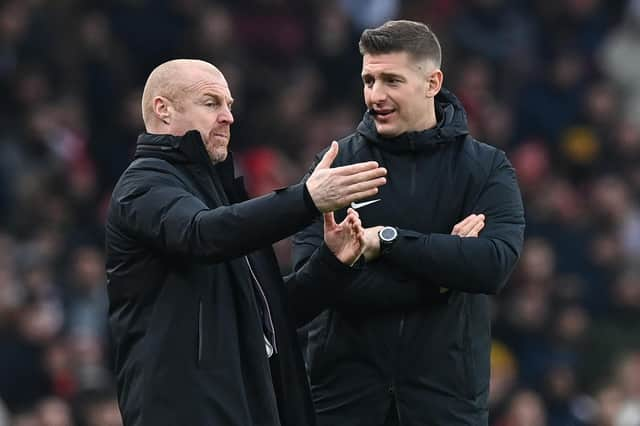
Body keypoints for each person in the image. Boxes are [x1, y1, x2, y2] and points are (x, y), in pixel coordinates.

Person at [104, 59, 387, 426]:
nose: (228, 117)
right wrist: (306, 200)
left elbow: (270, 315)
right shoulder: (142, 185)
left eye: (229, 106)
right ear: (163, 109)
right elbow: (201, 234)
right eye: (211, 103)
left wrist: (331, 263)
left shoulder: (223, 201)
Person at [292, 20, 525, 426]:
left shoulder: (485, 168)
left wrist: (388, 243)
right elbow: (308, 288)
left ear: (432, 82)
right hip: (343, 402)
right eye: (369, 79)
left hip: (446, 403)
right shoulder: (337, 167)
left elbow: (492, 266)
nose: (375, 95)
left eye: (391, 80)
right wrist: (442, 274)